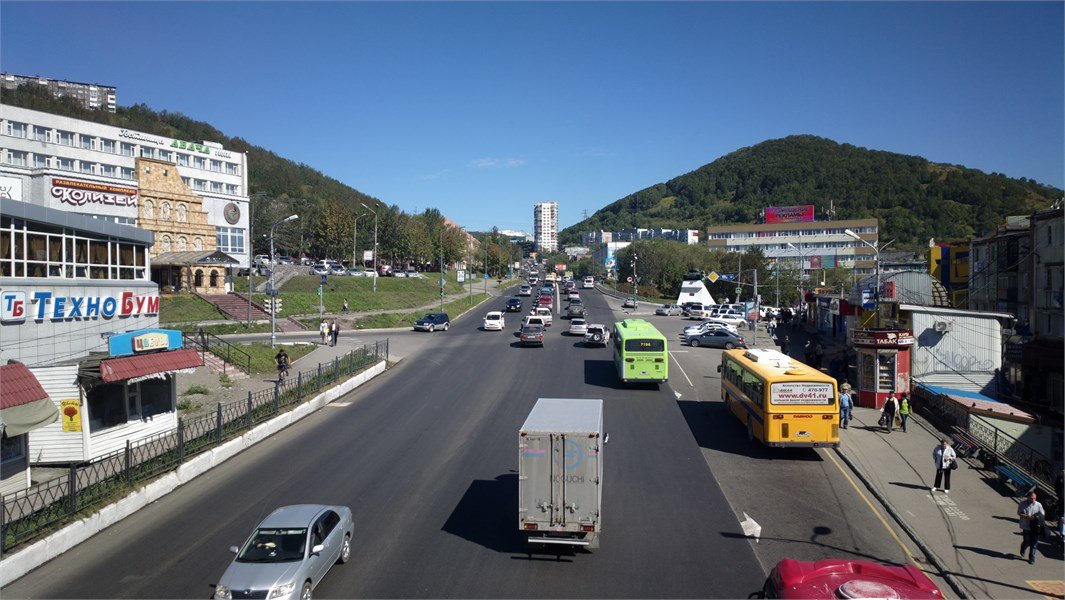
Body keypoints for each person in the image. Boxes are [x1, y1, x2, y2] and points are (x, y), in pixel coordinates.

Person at [1017, 490, 1045, 564]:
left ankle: (1032, 558)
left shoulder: (1038, 504)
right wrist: (1027, 517)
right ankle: (1023, 547)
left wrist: (1036, 517)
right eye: (1032, 498)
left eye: (1035, 498)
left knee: (1034, 543)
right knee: (1027, 541)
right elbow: (1019, 513)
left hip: (1035, 527)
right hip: (1025, 526)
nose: (1033, 500)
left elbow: (1042, 514)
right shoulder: (1022, 504)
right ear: (1028, 497)